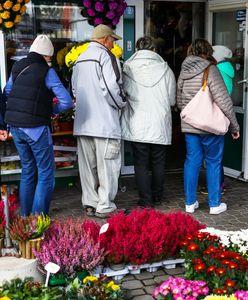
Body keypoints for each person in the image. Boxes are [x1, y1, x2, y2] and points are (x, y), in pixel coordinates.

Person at [3, 34, 73, 216]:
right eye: (49, 57)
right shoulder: (47, 72)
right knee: (45, 173)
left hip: (15, 127)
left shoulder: (18, 66)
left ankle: (25, 217)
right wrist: (50, 109)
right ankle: (37, 222)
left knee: (27, 170)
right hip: (35, 128)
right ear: (46, 56)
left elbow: (7, 91)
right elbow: (66, 102)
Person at [177, 39, 240, 215]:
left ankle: (190, 203)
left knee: (192, 161)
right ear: (208, 52)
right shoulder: (210, 70)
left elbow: (179, 100)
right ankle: (214, 204)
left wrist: (190, 116)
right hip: (210, 126)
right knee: (213, 162)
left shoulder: (184, 71)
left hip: (190, 125)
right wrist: (234, 125)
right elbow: (223, 100)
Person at [71, 24, 126, 219]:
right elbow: (112, 87)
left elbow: (75, 91)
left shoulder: (80, 58)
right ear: (105, 39)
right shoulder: (106, 56)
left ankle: (90, 203)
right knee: (108, 166)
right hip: (104, 123)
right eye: (112, 40)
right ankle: (105, 206)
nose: (113, 44)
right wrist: (121, 104)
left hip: (83, 123)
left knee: (87, 168)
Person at [121, 36, 176, 207]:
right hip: (159, 121)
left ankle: (145, 200)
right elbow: (172, 100)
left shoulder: (128, 68)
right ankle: (158, 196)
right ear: (154, 49)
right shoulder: (165, 69)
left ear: (137, 49)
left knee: (141, 162)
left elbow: (123, 94)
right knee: (158, 161)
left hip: (137, 121)